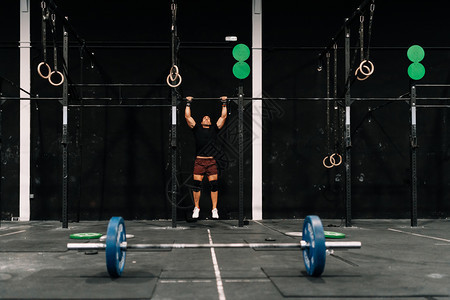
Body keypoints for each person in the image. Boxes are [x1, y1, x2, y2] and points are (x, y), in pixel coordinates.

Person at [185, 96, 227, 219]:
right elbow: (188, 117)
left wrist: (224, 103)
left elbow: (223, 117)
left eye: (208, 118)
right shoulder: (196, 128)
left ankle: (214, 209)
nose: (206, 118)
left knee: (214, 185)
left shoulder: (215, 129)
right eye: (204, 117)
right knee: (196, 184)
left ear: (210, 122)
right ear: (202, 121)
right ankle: (196, 208)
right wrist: (188, 103)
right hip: (199, 161)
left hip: (211, 161)